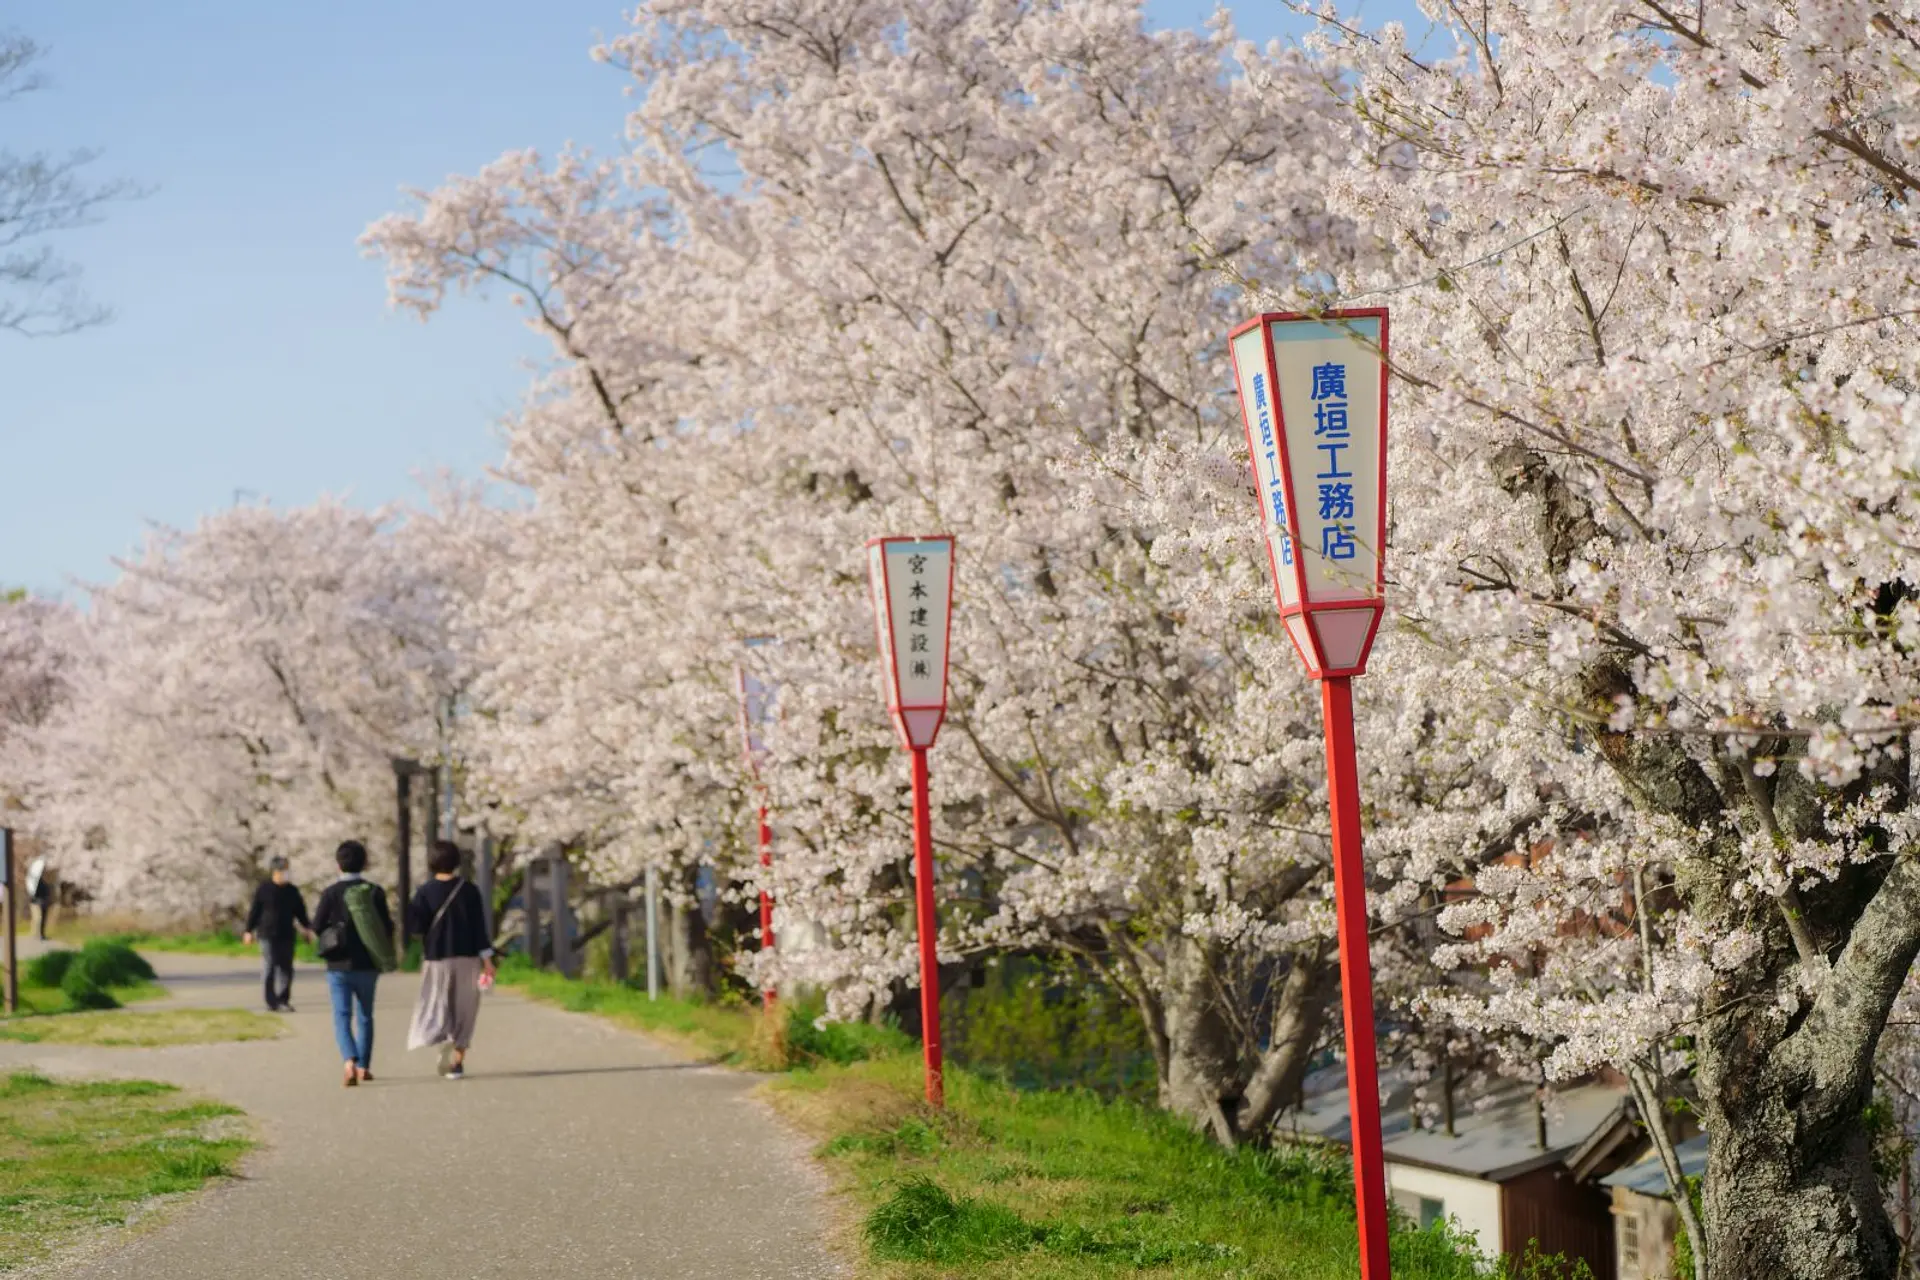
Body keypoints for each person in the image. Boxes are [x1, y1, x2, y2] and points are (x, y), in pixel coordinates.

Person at [407, 840, 495, 1080]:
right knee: (465, 1008)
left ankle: (444, 1036)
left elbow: (416, 928)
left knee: (439, 1004)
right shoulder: (469, 890)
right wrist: (488, 961)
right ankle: (457, 1061)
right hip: (468, 958)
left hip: (437, 959)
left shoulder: (424, 892)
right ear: (456, 861)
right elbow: (480, 929)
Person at [309, 841, 395, 1088]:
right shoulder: (375, 892)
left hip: (338, 965)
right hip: (368, 963)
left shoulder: (331, 893)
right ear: (364, 863)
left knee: (342, 1015)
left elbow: (317, 925)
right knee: (366, 1015)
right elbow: (387, 926)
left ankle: (349, 1061)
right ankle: (364, 1066)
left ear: (338, 864)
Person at [242, 856, 312, 1012]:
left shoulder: (292, 891)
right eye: (282, 870)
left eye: (287, 870)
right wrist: (248, 930)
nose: (285, 873)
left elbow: (300, 912)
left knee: (286, 968)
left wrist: (307, 929)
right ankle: (271, 1001)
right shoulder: (264, 889)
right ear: (275, 872)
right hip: (267, 933)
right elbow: (255, 911)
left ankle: (283, 1000)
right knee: (270, 966)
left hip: (287, 933)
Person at [25, 856, 52, 942]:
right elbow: (34, 893)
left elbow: (47, 892)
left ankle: (41, 934)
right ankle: (36, 934)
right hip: (36, 902)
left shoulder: (44, 881)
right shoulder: (35, 882)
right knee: (38, 918)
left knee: (42, 919)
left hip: (43, 903)